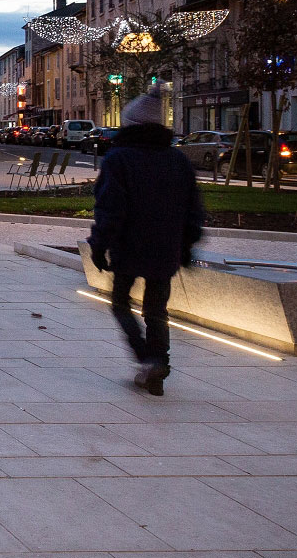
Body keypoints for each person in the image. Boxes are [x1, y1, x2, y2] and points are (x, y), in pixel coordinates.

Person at [88, 90, 204, 396]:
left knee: (120, 304)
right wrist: (187, 245)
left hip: (129, 245)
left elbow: (110, 208)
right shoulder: (178, 159)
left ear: (130, 124)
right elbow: (194, 210)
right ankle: (159, 364)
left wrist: (99, 245)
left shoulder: (119, 158)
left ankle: (147, 358)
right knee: (157, 310)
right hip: (166, 247)